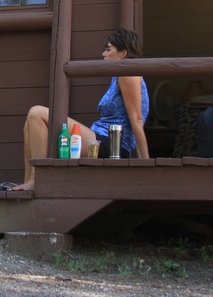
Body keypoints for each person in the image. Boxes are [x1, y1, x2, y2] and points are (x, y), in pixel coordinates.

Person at [13, 28, 150, 191]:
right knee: (30, 123)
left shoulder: (128, 73)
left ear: (123, 53)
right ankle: (29, 180)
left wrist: (146, 163)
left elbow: (137, 119)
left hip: (112, 145)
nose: (103, 54)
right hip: (98, 138)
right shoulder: (118, 75)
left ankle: (36, 181)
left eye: (108, 49)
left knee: (36, 112)